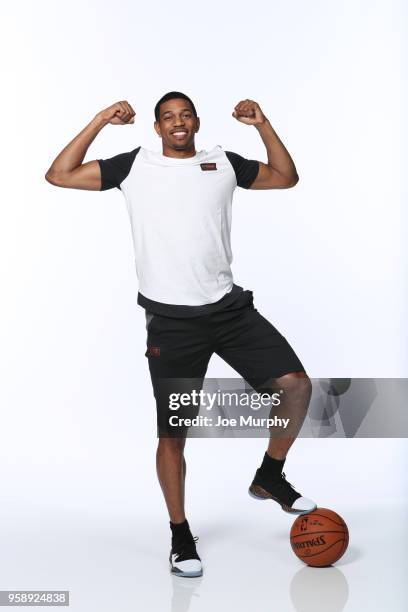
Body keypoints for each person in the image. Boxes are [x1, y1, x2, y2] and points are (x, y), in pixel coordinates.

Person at [45, 91, 316, 578]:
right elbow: (59, 174)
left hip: (229, 309)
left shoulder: (223, 163)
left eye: (184, 115)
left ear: (195, 122)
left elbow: (286, 177)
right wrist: (101, 119)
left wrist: (263, 123)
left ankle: (269, 476)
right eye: (167, 117)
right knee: (173, 435)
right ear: (156, 127)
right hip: (171, 322)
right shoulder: (134, 166)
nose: (177, 122)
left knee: (295, 385)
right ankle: (179, 533)